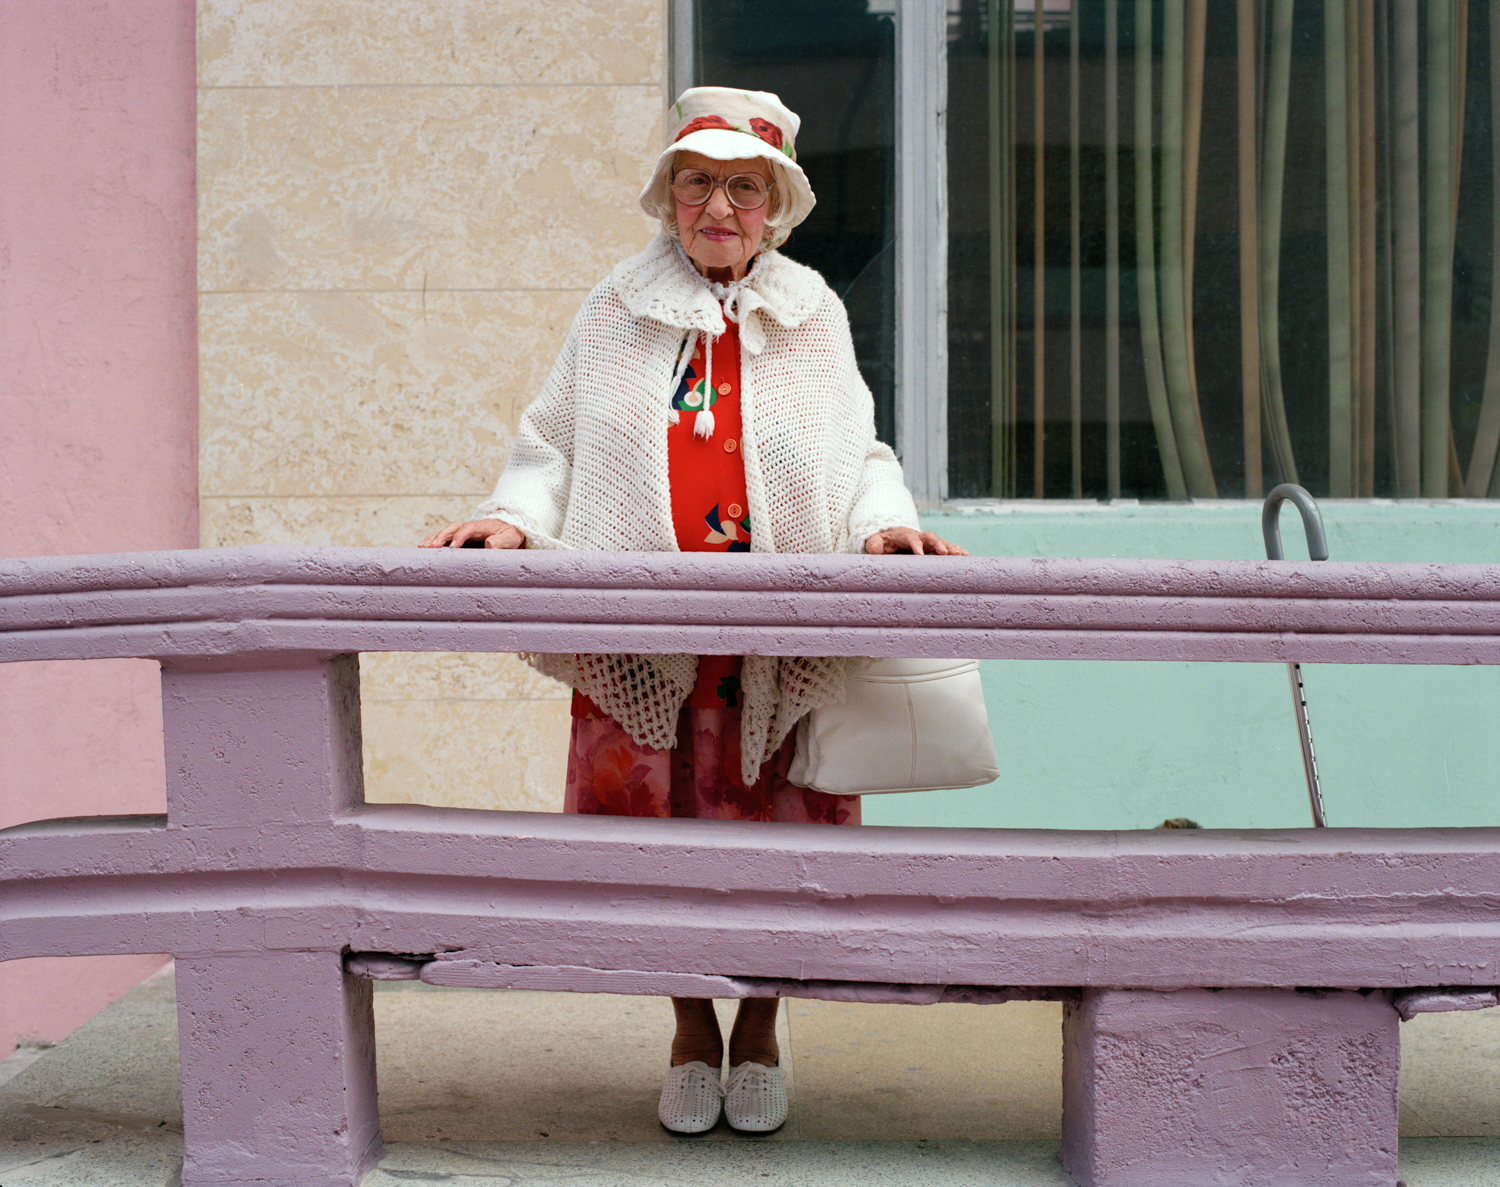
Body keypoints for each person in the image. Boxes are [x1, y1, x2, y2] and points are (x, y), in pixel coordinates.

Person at [420, 87, 966, 1135]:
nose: (720, 204)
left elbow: (859, 455)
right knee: (650, 844)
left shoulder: (814, 308)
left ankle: (758, 1026)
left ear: (777, 203)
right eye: (698, 181)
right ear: (669, 195)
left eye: (744, 186)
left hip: (773, 639)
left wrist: (885, 525)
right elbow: (554, 443)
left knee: (781, 838)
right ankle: (685, 1027)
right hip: (650, 640)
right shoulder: (615, 303)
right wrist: (509, 519)